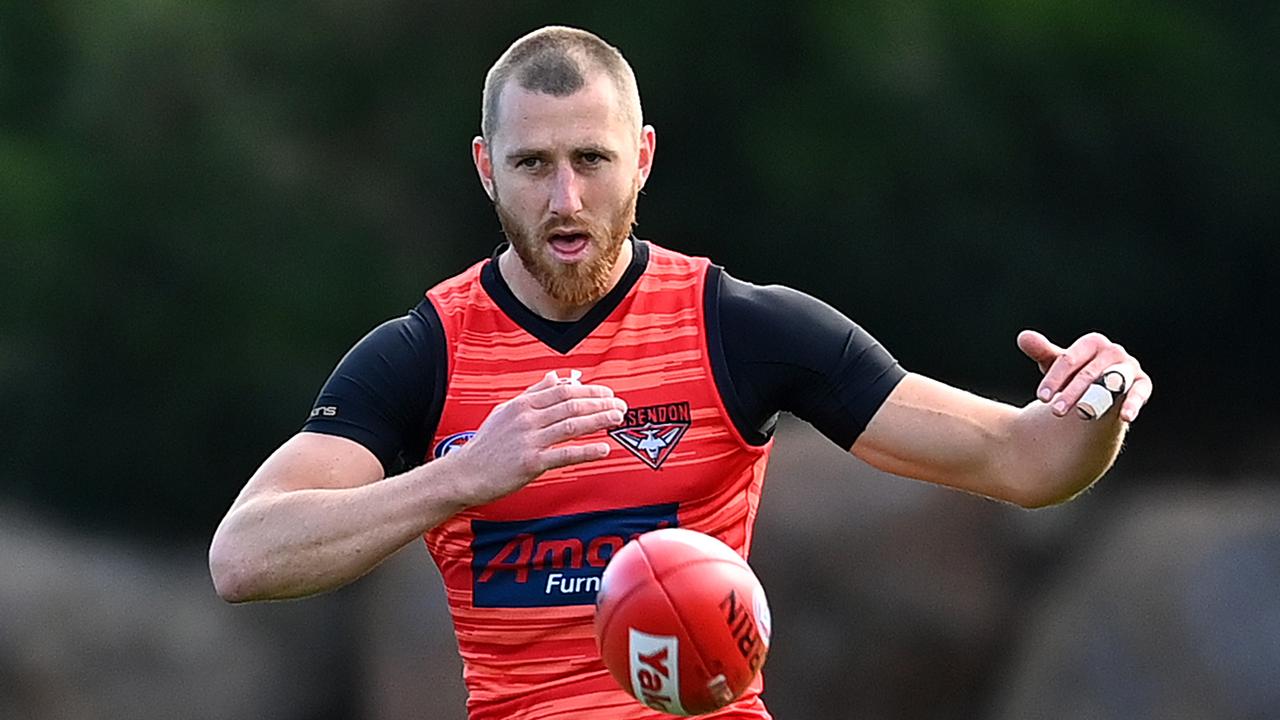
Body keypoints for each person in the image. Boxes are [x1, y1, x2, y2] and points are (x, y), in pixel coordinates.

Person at [208, 25, 1153, 720]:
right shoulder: (422, 354)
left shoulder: (741, 329)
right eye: (533, 164)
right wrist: (464, 476)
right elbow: (244, 556)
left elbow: (1024, 463)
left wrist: (1095, 403)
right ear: (486, 169)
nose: (565, 197)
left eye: (592, 159)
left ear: (644, 159)